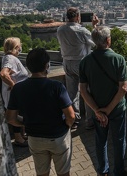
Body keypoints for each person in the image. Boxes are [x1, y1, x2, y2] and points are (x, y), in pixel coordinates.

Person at [6, 48, 75, 176]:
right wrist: (66, 126)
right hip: (58, 136)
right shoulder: (56, 87)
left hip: (35, 138)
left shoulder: (18, 88)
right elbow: (70, 116)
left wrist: (25, 123)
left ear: (28, 67)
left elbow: (10, 118)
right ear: (47, 65)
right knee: (63, 173)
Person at [79, 26, 127, 176]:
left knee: (100, 141)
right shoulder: (118, 59)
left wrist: (98, 111)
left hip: (97, 110)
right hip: (116, 109)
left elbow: (83, 90)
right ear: (108, 40)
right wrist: (108, 110)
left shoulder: (85, 61)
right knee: (119, 141)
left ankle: (103, 171)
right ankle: (119, 171)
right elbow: (123, 89)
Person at [57, 7, 99, 130]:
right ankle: (90, 121)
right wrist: (95, 26)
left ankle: (74, 119)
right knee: (87, 91)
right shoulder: (81, 31)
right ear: (77, 17)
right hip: (80, 62)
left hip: (66, 63)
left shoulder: (60, 29)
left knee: (71, 92)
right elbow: (96, 42)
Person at [0, 37, 29, 146]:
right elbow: (3, 74)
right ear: (16, 47)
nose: (21, 47)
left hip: (15, 94)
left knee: (19, 114)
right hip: (15, 95)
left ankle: (22, 135)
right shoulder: (10, 58)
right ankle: (18, 139)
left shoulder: (8, 57)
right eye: (20, 45)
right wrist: (13, 86)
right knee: (16, 115)